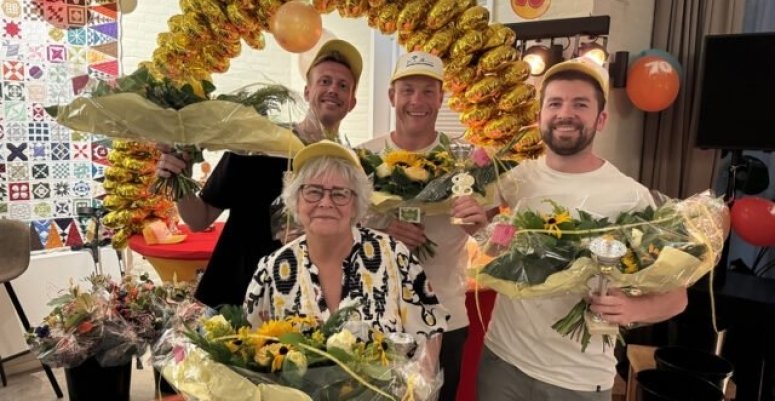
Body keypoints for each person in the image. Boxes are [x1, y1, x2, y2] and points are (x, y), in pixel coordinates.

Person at [477, 57, 688, 401]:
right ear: (540, 116)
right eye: (555, 103)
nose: (565, 113)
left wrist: (634, 310)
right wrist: (476, 220)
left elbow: (677, 296)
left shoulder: (631, 197)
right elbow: (494, 244)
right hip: (504, 361)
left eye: (580, 104)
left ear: (601, 119)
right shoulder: (517, 179)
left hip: (578, 379)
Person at [155, 39, 362, 309]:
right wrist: (177, 177)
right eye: (325, 81)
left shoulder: (348, 166)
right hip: (236, 297)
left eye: (342, 85)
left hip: (306, 305)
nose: (333, 90)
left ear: (351, 103)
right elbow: (198, 218)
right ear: (308, 90)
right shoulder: (259, 144)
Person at [243, 140, 447, 371]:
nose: (325, 203)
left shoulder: (394, 256)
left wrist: (421, 388)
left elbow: (429, 332)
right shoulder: (272, 269)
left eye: (340, 194)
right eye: (313, 191)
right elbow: (251, 348)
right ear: (296, 201)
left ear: (356, 205)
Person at [360, 51, 489, 401]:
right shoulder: (362, 158)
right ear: (392, 96)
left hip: (446, 317)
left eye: (428, 91)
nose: (417, 101)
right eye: (408, 90)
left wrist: (480, 223)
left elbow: (495, 232)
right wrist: (381, 235)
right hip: (376, 317)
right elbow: (339, 235)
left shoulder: (464, 162)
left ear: (441, 98)